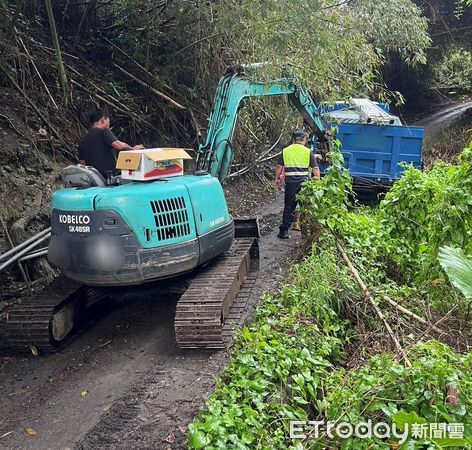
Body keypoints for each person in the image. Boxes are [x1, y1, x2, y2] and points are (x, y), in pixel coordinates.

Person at [275, 129, 320, 239]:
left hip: (290, 183)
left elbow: (279, 167)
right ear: (304, 139)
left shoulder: (286, 151)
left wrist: (277, 179)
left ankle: (284, 231)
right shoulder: (307, 151)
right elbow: (315, 168)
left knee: (289, 206)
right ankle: (306, 233)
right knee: (305, 207)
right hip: (304, 183)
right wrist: (317, 182)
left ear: (294, 139)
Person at [78, 111, 144, 179]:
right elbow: (119, 145)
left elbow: (82, 164)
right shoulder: (104, 131)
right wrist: (133, 149)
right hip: (109, 177)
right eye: (108, 121)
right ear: (103, 120)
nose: (109, 124)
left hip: (95, 180)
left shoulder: (83, 141)